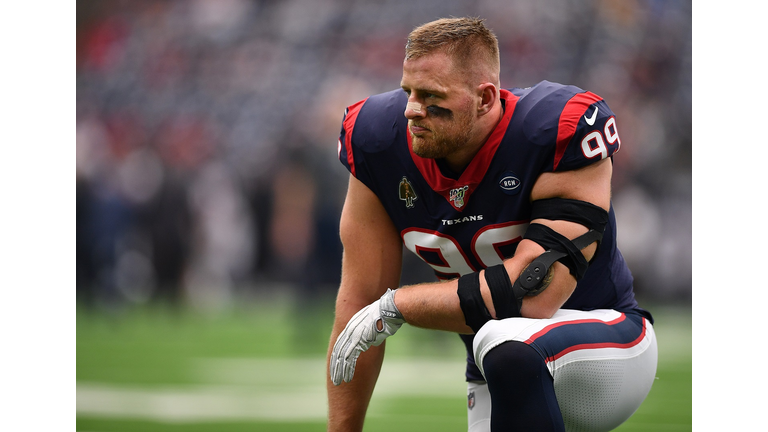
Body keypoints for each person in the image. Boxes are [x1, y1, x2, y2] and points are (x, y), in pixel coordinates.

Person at [326, 17, 657, 432]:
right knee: (499, 346)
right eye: (408, 90)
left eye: (431, 96)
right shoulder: (377, 141)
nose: (412, 109)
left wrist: (399, 305)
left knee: (506, 339)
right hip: (493, 366)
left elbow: (534, 292)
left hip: (606, 347)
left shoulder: (555, 128)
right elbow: (359, 306)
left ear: (484, 99)